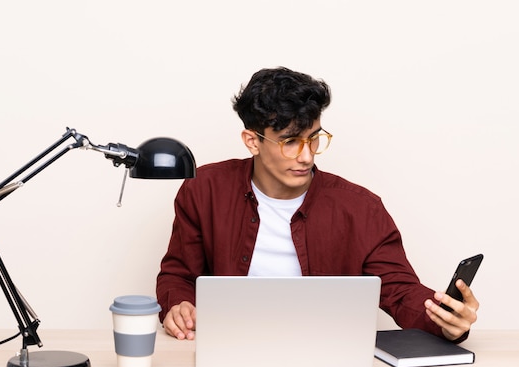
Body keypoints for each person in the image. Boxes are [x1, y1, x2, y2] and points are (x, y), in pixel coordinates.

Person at [156, 66, 479, 342]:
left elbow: (399, 290)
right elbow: (178, 274)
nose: (307, 156)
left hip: (327, 350)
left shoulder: (360, 208)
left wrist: (445, 320)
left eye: (313, 138)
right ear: (252, 141)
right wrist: (178, 305)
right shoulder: (205, 190)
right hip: (228, 344)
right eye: (290, 142)